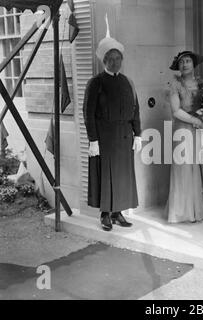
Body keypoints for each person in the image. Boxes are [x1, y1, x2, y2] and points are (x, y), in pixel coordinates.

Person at [83, 34, 142, 232]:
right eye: (111, 58)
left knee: (122, 175)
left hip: (124, 136)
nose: (115, 62)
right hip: (104, 137)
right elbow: (88, 113)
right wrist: (93, 140)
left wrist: (138, 133)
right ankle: (105, 214)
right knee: (105, 174)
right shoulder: (96, 83)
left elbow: (135, 109)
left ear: (122, 61)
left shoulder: (127, 82)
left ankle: (118, 213)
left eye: (118, 58)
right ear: (104, 60)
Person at [165, 51, 203, 223]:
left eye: (188, 61)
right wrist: (196, 121)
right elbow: (176, 111)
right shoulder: (175, 85)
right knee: (186, 168)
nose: (184, 64)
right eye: (181, 62)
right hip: (184, 129)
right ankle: (188, 211)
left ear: (194, 64)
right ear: (178, 66)